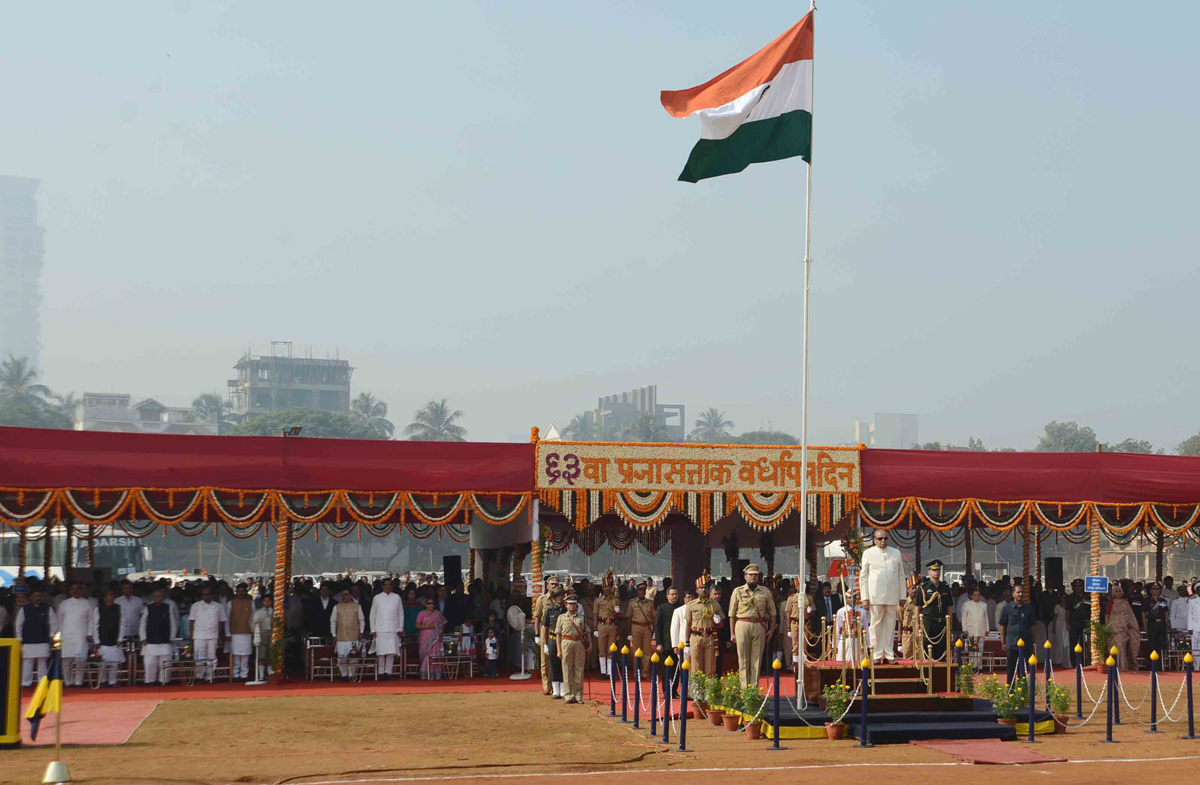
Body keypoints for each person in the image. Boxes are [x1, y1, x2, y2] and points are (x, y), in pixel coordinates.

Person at [728, 563, 776, 688]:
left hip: (759, 625)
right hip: (742, 624)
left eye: (755, 575)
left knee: (756, 660)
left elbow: (772, 612)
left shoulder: (765, 591)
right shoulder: (737, 591)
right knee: (743, 659)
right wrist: (732, 632)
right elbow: (731, 614)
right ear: (745, 576)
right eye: (751, 575)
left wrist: (771, 629)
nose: (753, 577)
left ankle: (753, 691)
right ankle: (744, 690)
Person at [859, 529, 904, 662]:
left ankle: (889, 655)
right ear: (874, 540)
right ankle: (876, 655)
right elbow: (863, 577)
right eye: (880, 538)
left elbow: (901, 576)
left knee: (890, 625)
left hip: (892, 594)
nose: (882, 541)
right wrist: (864, 597)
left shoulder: (896, 553)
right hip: (874, 594)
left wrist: (902, 596)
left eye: (885, 538)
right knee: (875, 624)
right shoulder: (868, 553)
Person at [16, 587, 58, 687]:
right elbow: (18, 624)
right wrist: (19, 639)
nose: (38, 598)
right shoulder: (24, 609)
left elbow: (54, 623)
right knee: (27, 663)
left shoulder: (47, 608)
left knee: (42, 663)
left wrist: (51, 635)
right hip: (28, 641)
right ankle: (26, 683)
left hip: (43, 640)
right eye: (35, 596)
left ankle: (42, 683)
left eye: (39, 596)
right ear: (31, 597)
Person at [999, 584, 1036, 683]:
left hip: (1025, 644)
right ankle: (1010, 692)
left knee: (1023, 670)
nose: (1020, 594)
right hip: (1011, 644)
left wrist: (1033, 643)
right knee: (1011, 670)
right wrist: (1002, 642)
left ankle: (1022, 691)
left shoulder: (1029, 609)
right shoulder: (1006, 608)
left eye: (1022, 592)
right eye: (1018, 592)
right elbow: (1002, 626)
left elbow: (1032, 626)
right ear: (1013, 594)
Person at [140, 589, 178, 685]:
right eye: (156, 596)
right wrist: (143, 638)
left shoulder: (168, 607)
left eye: (159, 596)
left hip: (165, 639)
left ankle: (164, 680)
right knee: (150, 663)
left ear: (163, 597)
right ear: (153, 598)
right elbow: (143, 624)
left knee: (165, 662)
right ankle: (150, 681)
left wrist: (172, 637)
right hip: (150, 639)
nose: (158, 598)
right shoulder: (148, 608)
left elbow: (173, 624)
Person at [555, 593, 588, 704]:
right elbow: (558, 634)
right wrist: (559, 650)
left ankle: (578, 695)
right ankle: (569, 695)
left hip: (578, 642)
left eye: (574, 604)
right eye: (570, 604)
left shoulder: (582, 617)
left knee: (579, 669)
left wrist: (590, 643)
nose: (572, 606)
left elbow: (587, 631)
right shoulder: (561, 617)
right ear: (566, 605)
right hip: (566, 642)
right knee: (567, 669)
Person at [189, 586, 227, 683]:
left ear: (212, 595)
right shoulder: (195, 606)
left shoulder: (218, 606)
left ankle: (210, 677)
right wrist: (192, 636)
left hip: (213, 635)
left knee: (212, 657)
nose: (206, 596)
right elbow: (191, 622)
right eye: (204, 594)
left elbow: (221, 622)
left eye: (208, 594)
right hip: (199, 635)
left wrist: (220, 635)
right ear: (201, 596)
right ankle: (199, 676)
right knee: (199, 657)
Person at [59, 582, 93, 687]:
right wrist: (60, 635)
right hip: (66, 635)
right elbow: (59, 621)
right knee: (66, 660)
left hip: (81, 635)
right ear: (70, 591)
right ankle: (67, 682)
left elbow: (91, 620)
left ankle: (78, 681)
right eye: (73, 589)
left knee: (80, 659)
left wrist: (90, 633)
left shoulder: (87, 603)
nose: (75, 591)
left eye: (77, 589)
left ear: (81, 590)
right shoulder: (64, 604)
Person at [91, 589, 126, 687]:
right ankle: (102, 681)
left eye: (111, 596)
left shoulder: (119, 608)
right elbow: (95, 626)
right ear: (105, 598)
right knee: (102, 664)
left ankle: (112, 682)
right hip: (102, 640)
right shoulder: (98, 609)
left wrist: (120, 638)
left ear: (114, 598)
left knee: (114, 664)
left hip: (115, 639)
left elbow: (122, 625)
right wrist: (96, 640)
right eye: (108, 596)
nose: (110, 598)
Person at [917, 560, 951, 660]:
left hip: (941, 622)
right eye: (934, 570)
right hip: (928, 622)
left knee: (941, 650)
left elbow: (949, 607)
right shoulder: (923, 587)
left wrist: (950, 626)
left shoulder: (945, 587)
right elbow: (918, 607)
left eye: (938, 570)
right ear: (929, 571)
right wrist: (917, 626)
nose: (937, 572)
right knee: (927, 649)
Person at [369, 578, 402, 678]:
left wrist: (400, 628)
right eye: (386, 585)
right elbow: (372, 615)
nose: (388, 586)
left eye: (389, 585)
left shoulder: (397, 597)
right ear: (382, 586)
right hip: (380, 629)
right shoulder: (377, 598)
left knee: (391, 652)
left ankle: (389, 672)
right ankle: (380, 672)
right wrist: (373, 629)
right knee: (381, 653)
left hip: (393, 628)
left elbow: (400, 614)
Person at [331, 588, 365, 679]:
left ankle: (352, 675)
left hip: (354, 636)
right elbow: (333, 621)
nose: (344, 597)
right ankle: (344, 675)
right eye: (342, 595)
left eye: (346, 595)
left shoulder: (357, 606)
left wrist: (361, 632)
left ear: (351, 596)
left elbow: (361, 620)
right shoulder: (337, 607)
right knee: (342, 658)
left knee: (354, 658)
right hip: (341, 636)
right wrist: (334, 634)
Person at [532, 576, 558, 693]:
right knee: (545, 660)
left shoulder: (560, 599)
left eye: (556, 584)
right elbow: (537, 618)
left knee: (556, 658)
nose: (554, 586)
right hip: (545, 629)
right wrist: (537, 634)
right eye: (552, 584)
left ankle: (556, 685)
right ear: (547, 586)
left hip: (557, 629)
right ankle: (547, 686)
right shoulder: (542, 599)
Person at [541, 587, 567, 698]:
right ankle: (555, 689)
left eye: (562, 596)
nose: (560, 598)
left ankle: (564, 689)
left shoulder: (567, 610)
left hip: (565, 640)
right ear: (554, 598)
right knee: (553, 664)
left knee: (564, 664)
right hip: (552, 639)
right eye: (557, 596)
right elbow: (545, 628)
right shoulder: (549, 611)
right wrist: (544, 643)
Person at [594, 572, 621, 678]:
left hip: (612, 626)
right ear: (602, 588)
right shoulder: (598, 600)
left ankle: (610, 672)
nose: (607, 589)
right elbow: (595, 614)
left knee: (611, 649)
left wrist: (618, 611)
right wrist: (595, 628)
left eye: (609, 587)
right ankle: (603, 671)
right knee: (602, 650)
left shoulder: (615, 600)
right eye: (605, 587)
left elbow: (617, 616)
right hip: (601, 625)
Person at [1109, 583, 1140, 671]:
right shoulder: (1111, 602)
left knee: (1122, 647)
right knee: (1114, 647)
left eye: (1119, 591)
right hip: (1113, 628)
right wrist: (1108, 627)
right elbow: (1107, 615)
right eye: (1116, 591)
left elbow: (1130, 615)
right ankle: (1114, 665)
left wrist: (1133, 625)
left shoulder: (1125, 603)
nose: (1118, 593)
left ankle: (1122, 667)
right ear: (1113, 593)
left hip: (1123, 628)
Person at [227, 583, 255, 680]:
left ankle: (244, 675)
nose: (241, 593)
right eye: (240, 591)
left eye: (243, 591)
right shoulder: (231, 603)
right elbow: (227, 618)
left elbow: (254, 618)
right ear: (236, 592)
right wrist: (227, 633)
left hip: (247, 633)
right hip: (234, 633)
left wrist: (254, 633)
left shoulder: (251, 602)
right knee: (236, 655)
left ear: (246, 592)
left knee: (245, 655)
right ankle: (235, 674)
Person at [626, 580, 655, 677]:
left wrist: (654, 630)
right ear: (637, 591)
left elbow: (653, 617)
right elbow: (629, 617)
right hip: (635, 627)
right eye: (640, 590)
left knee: (647, 651)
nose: (642, 592)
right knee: (636, 651)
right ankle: (636, 672)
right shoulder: (632, 603)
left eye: (643, 590)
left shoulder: (650, 603)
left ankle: (645, 673)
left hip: (646, 627)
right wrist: (629, 632)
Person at [834, 590, 869, 662]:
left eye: (853, 597)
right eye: (849, 598)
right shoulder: (840, 611)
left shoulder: (862, 611)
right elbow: (837, 628)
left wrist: (867, 644)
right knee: (842, 661)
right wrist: (835, 645)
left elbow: (866, 628)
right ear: (846, 599)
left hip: (857, 640)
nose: (851, 599)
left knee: (857, 661)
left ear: (856, 598)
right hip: (845, 640)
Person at [416, 596, 446, 680]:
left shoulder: (438, 614)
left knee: (436, 654)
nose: (431, 605)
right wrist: (427, 626)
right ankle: (425, 674)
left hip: (436, 638)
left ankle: (436, 675)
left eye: (433, 603)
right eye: (429, 603)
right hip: (425, 637)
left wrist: (440, 631)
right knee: (426, 654)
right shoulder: (421, 613)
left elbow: (442, 625)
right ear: (425, 605)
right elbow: (417, 625)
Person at [961, 587, 990, 666]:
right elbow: (964, 618)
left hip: (981, 629)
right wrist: (964, 629)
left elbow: (986, 617)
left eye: (978, 595)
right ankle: (972, 666)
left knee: (980, 649)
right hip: (971, 629)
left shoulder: (984, 605)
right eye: (975, 595)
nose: (977, 597)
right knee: (972, 649)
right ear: (971, 596)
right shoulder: (966, 605)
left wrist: (987, 629)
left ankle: (978, 666)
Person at [1066, 579, 1091, 667]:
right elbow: (1068, 611)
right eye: (1077, 586)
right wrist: (1067, 623)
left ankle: (1085, 663)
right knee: (1073, 643)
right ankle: (1074, 664)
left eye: (1080, 585)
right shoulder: (1070, 597)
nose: (1079, 587)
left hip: (1086, 623)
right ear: (1073, 587)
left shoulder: (1088, 596)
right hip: (1074, 623)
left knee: (1085, 644)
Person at [1144, 582, 1170, 660]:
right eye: (1154, 589)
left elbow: (1166, 613)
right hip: (1152, 624)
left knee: (1161, 644)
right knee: (1152, 644)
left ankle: (1160, 664)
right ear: (1151, 591)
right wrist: (1145, 626)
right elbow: (1143, 614)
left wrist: (1167, 623)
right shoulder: (1147, 600)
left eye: (1158, 589)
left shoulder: (1163, 600)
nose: (1156, 591)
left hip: (1161, 625)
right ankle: (1152, 664)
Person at [900, 580, 920, 660]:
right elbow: (900, 622)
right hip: (907, 634)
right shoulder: (903, 604)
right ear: (908, 589)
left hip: (918, 634)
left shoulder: (920, 603)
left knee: (919, 659)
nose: (914, 590)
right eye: (912, 588)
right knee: (907, 659)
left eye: (916, 588)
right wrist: (899, 642)